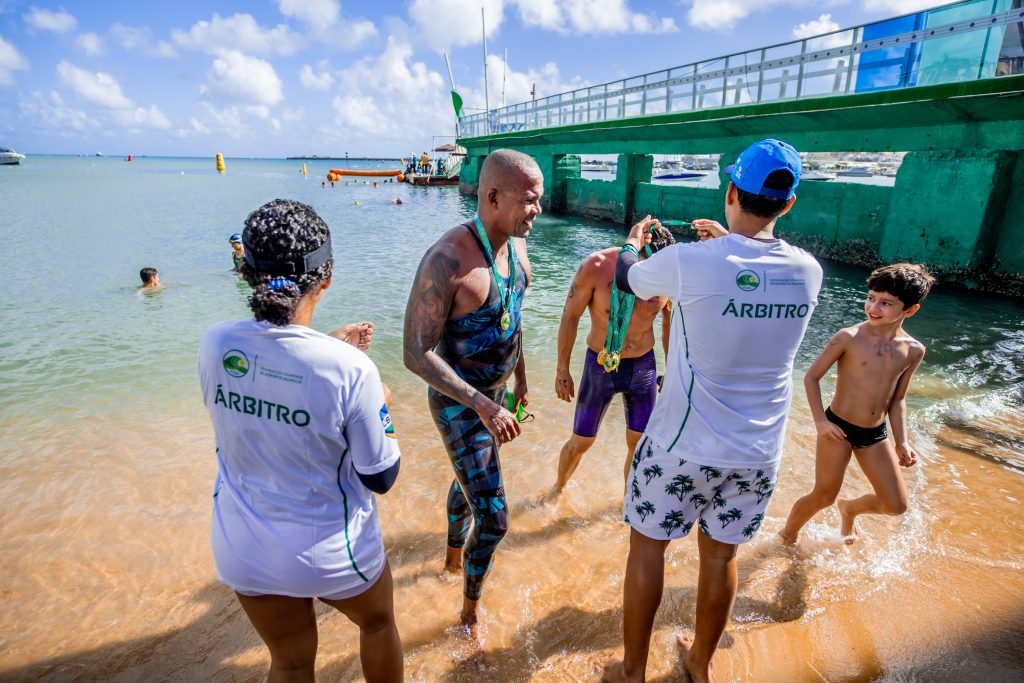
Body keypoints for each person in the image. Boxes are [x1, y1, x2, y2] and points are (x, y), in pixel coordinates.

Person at [602, 139, 823, 683]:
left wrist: (632, 241)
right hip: (757, 451)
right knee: (720, 559)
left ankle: (632, 670)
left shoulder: (691, 261)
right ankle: (699, 665)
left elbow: (628, 276)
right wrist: (730, 247)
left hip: (682, 447)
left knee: (647, 547)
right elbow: (750, 282)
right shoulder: (808, 270)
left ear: (730, 190)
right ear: (788, 204)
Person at [198, 199, 403, 683]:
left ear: (245, 270)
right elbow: (381, 475)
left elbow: (271, 377)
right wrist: (382, 401)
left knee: (289, 663)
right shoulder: (352, 369)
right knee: (377, 624)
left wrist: (326, 343)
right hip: (332, 550)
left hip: (244, 546)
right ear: (327, 277)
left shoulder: (215, 343)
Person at [403, 148, 541, 654]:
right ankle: (468, 617)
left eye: (539, 200)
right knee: (497, 518)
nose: (537, 211)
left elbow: (515, 319)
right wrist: (483, 405)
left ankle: (450, 558)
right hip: (461, 405)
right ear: (491, 197)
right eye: (528, 201)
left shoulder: (519, 248)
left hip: (499, 398)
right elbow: (414, 354)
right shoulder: (448, 259)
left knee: (469, 484)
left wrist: (521, 382)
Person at [779, 263, 932, 545]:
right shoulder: (848, 337)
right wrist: (820, 422)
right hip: (836, 428)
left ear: (909, 310)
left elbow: (898, 399)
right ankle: (786, 536)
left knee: (896, 505)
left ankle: (849, 509)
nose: (873, 307)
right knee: (823, 495)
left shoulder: (913, 350)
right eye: (871, 298)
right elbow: (811, 378)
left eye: (886, 303)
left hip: (874, 435)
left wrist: (902, 442)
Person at [553, 227, 675, 494]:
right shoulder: (596, 266)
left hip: (642, 365)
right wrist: (562, 369)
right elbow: (570, 316)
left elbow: (668, 325)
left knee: (639, 441)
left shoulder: (668, 273)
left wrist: (672, 371)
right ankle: (558, 489)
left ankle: (628, 501)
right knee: (581, 441)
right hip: (600, 365)